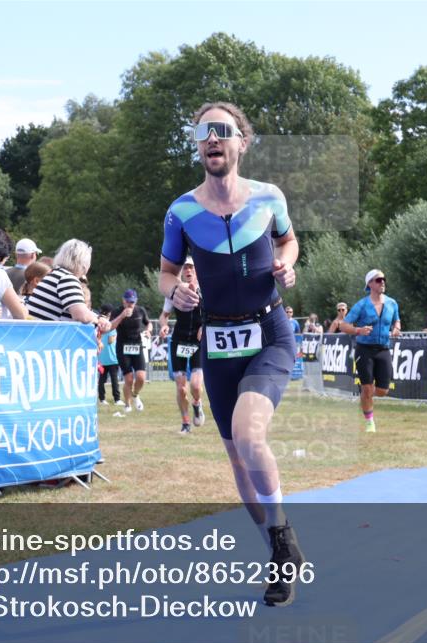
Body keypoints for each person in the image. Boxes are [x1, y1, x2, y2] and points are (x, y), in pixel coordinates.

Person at [159, 101, 302, 607]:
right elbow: (166, 272)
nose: (212, 139)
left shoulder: (268, 197)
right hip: (216, 342)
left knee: (249, 432)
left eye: (222, 131)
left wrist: (286, 266)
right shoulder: (181, 211)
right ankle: (277, 553)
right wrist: (174, 292)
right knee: (237, 459)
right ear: (198, 146)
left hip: (269, 332)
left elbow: (289, 243)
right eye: (203, 132)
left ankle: (283, 541)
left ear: (242, 141)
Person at [341, 269, 401, 433]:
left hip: (383, 349)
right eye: (378, 280)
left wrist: (396, 328)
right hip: (364, 349)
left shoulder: (392, 303)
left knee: (383, 390)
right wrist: (358, 330)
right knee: (367, 387)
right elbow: (343, 325)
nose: (382, 282)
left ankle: (365, 396)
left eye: (383, 279)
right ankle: (369, 422)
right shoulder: (361, 305)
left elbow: (397, 320)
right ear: (369, 284)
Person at [158, 257, 205, 433]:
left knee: (195, 386)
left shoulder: (206, 290)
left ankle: (197, 403)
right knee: (181, 387)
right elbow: (164, 315)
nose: (188, 270)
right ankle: (185, 423)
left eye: (191, 267)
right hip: (179, 340)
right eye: (185, 267)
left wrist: (205, 327)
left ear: (196, 270)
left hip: (198, 341)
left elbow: (216, 313)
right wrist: (163, 326)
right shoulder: (175, 291)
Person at [25, 239, 109, 330]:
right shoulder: (67, 279)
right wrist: (99, 321)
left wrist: (98, 317)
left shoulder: (54, 275)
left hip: (36, 334)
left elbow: (81, 310)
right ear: (84, 264)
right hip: (46, 338)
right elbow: (81, 315)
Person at [110, 289, 152, 413]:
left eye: (132, 302)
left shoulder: (140, 311)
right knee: (128, 379)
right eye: (128, 302)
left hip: (137, 345)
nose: (130, 305)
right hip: (123, 347)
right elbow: (111, 326)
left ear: (136, 301)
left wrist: (149, 330)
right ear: (123, 300)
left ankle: (135, 394)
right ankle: (127, 405)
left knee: (141, 377)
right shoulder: (117, 311)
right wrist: (122, 315)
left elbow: (148, 323)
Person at [97, 304, 123, 406]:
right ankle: (117, 399)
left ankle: (102, 399)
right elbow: (110, 340)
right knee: (114, 380)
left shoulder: (98, 324)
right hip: (112, 358)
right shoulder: (110, 326)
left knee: (102, 380)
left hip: (102, 358)